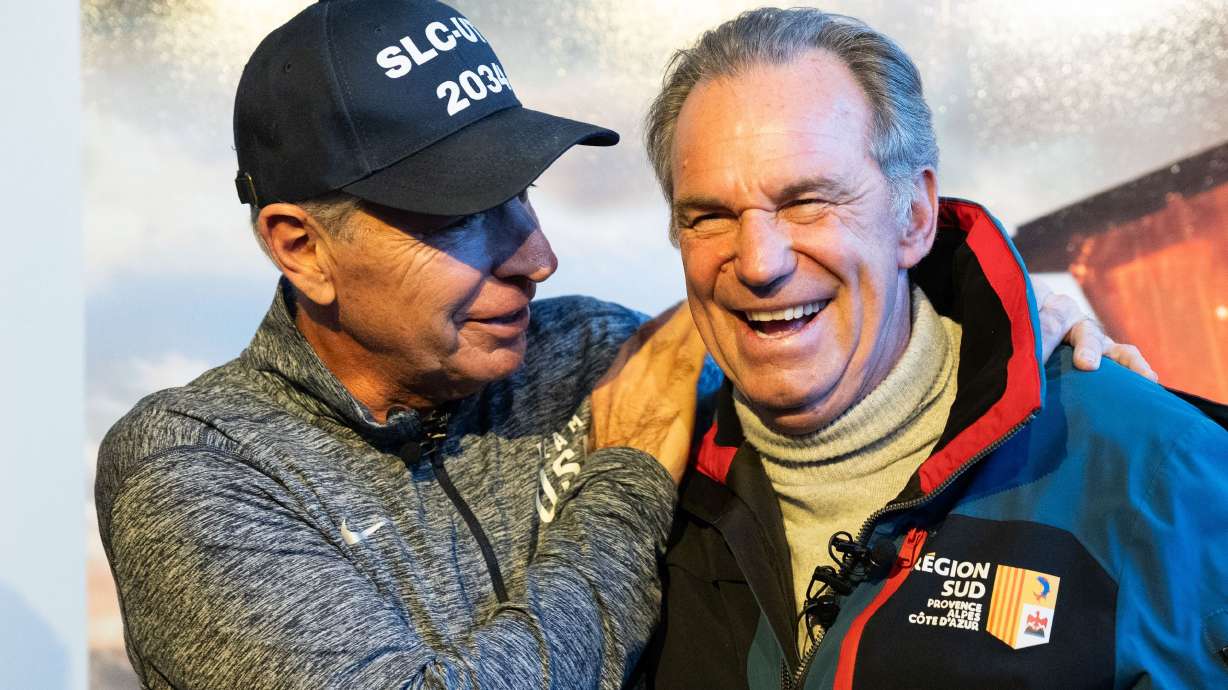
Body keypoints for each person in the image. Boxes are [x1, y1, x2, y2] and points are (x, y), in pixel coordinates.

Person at [95, 1, 1150, 688]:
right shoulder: (195, 467)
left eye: (519, 191)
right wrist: (627, 481)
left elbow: (784, 294)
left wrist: (995, 308)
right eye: (460, 214)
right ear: (302, 247)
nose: (536, 255)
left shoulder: (588, 349)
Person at [637, 8, 1228, 689]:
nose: (760, 261)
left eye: (808, 201)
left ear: (915, 218)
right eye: (709, 216)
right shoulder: (644, 484)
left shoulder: (1151, 476)